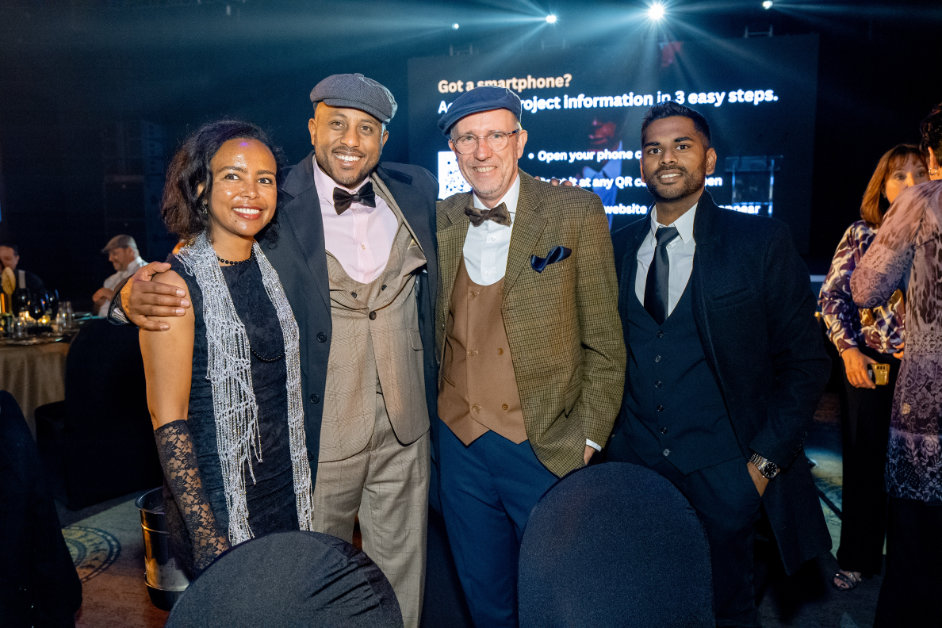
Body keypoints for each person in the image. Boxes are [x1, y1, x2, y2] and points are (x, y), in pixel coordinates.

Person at [120, 74, 437, 627]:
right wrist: (127, 296)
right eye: (336, 123)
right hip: (318, 436)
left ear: (384, 139)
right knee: (307, 588)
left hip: (404, 431)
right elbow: (196, 259)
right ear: (312, 128)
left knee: (399, 583)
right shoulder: (273, 197)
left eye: (366, 128)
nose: (350, 140)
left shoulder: (417, 191)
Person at [606, 102, 831, 627]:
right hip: (636, 474)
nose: (666, 158)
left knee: (726, 612)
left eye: (681, 146)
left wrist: (760, 469)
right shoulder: (615, 247)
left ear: (709, 160)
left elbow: (805, 363)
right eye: (654, 149)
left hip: (727, 476)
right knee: (643, 606)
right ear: (641, 164)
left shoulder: (759, 242)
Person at [435, 86, 625, 626]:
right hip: (458, 450)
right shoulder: (439, 219)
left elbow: (605, 342)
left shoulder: (574, 210)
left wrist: (588, 439)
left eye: (496, 135)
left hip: (545, 447)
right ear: (454, 149)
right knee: (485, 601)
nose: (482, 151)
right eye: (467, 138)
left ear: (520, 141)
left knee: (560, 599)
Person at [139, 120, 316, 576]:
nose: (252, 192)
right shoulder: (174, 286)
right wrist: (206, 535)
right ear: (200, 187)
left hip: (284, 487)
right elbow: (168, 420)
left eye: (265, 179)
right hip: (219, 501)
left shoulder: (269, 268)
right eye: (233, 176)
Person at [819, 144, 928, 591]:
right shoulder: (863, 233)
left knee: (920, 473)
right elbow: (833, 297)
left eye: (919, 173)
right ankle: (857, 559)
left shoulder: (936, 234)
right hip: (873, 365)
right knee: (865, 466)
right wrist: (848, 351)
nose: (910, 183)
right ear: (882, 187)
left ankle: (914, 567)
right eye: (898, 176)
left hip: (927, 373)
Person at [851, 102, 942, 627]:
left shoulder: (922, 201)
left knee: (916, 558)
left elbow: (866, 287)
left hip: (930, 409)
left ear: (932, 155)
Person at [93, 234, 146, 317]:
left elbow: (144, 306)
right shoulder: (110, 280)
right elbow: (98, 311)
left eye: (114, 253)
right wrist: (98, 304)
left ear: (130, 251)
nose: (110, 259)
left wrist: (112, 295)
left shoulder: (146, 272)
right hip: (102, 323)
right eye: (109, 254)